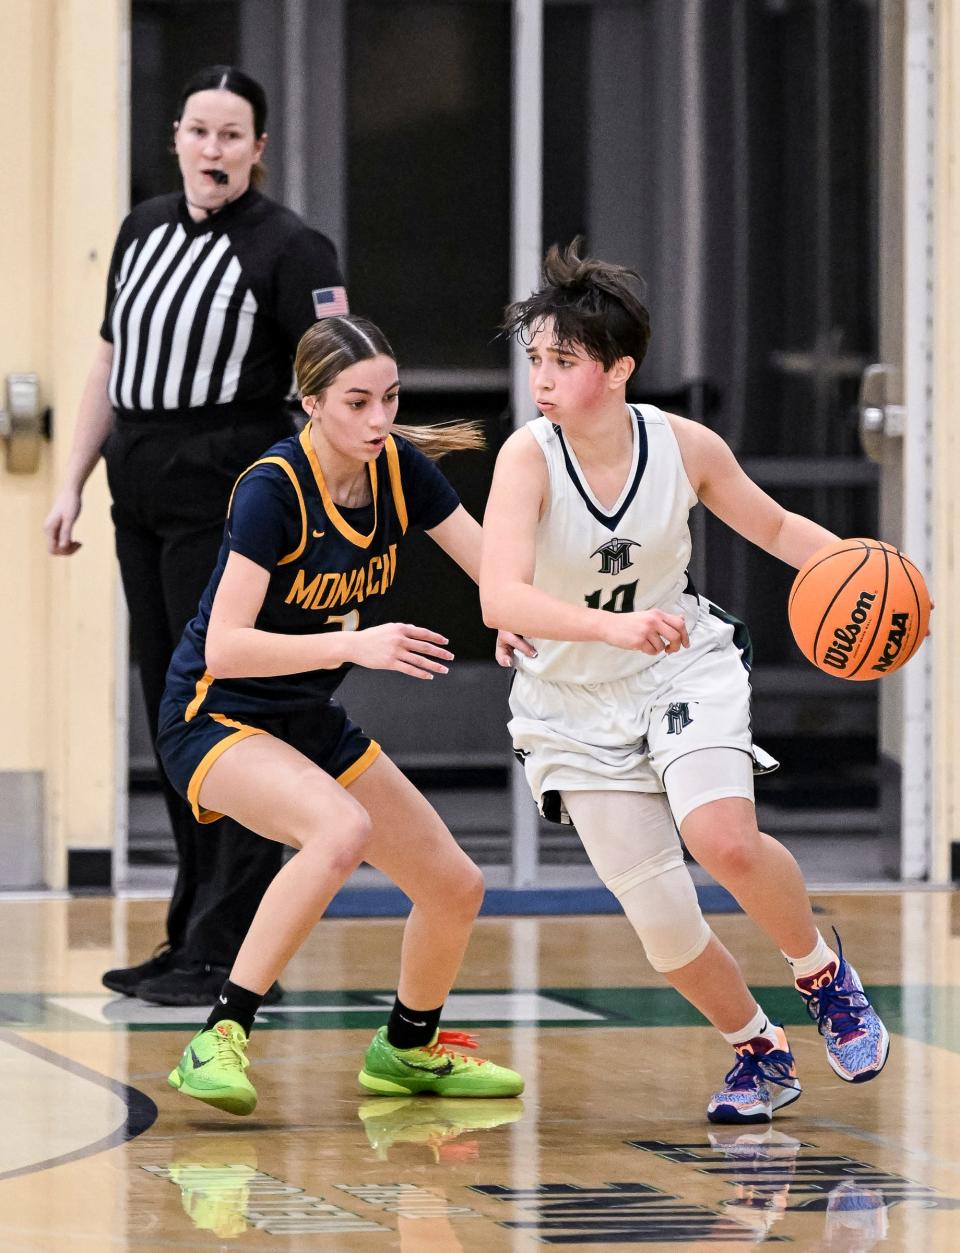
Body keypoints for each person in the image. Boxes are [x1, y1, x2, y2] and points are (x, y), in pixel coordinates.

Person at [479, 240, 890, 1124]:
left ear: (621, 368)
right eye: (535, 360)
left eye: (564, 361)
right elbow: (498, 593)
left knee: (723, 837)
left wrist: (869, 567)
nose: (542, 379)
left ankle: (822, 971)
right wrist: (606, 625)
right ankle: (759, 1050)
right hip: (570, 703)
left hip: (679, 665)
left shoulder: (684, 445)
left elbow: (777, 528)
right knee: (662, 923)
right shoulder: (527, 458)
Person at [160, 313, 527, 1115]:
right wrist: (350, 648)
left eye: (390, 399)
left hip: (304, 717)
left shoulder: (401, 471)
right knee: (339, 829)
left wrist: (522, 621)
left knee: (455, 885)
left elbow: (492, 573)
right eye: (357, 402)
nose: (379, 420)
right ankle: (216, 1037)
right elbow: (224, 647)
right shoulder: (272, 488)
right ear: (311, 402)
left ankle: (407, 1046)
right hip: (213, 717)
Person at [44, 66, 347, 1006]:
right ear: (176, 136)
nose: (212, 150)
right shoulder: (141, 229)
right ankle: (187, 934)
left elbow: (333, 385)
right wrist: (71, 480)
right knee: (171, 715)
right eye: (199, 132)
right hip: (138, 490)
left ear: (258, 149)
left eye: (232, 136)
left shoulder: (294, 247)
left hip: (225, 496)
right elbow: (109, 359)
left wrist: (320, 514)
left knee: (225, 710)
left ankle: (228, 945)